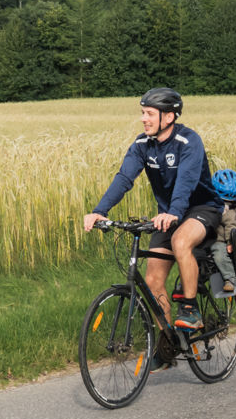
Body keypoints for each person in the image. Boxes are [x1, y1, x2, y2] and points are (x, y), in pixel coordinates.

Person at [83, 87, 222, 330]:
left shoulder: (188, 141)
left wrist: (174, 212)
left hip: (201, 208)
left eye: (149, 113)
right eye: (142, 113)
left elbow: (186, 181)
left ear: (168, 117)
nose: (143, 119)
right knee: (153, 281)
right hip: (168, 213)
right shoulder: (142, 145)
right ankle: (167, 346)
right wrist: (100, 211)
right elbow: (124, 178)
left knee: (180, 241)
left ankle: (190, 309)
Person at [208, 168, 236, 294]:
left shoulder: (227, 210)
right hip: (203, 239)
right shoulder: (208, 201)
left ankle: (231, 278)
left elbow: (232, 226)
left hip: (219, 240)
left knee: (219, 254)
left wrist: (231, 242)